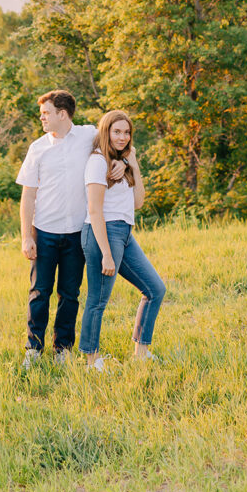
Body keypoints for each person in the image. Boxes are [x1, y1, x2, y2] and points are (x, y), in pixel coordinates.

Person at [17, 89, 125, 367]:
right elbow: (28, 195)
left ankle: (62, 349)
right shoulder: (37, 148)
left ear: (62, 114)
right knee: (40, 291)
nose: (41, 118)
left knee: (70, 293)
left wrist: (123, 162)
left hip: (79, 232)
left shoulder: (89, 136)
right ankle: (34, 348)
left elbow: (121, 142)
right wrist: (26, 236)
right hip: (45, 232)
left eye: (46, 113)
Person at [79, 109, 166, 370]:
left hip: (125, 233)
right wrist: (105, 252)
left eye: (127, 132)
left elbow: (138, 202)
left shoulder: (124, 163)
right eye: (116, 131)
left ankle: (141, 352)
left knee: (155, 289)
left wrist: (133, 164)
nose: (122, 137)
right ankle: (91, 360)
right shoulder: (98, 161)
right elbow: (94, 210)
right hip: (102, 233)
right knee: (98, 300)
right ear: (106, 132)